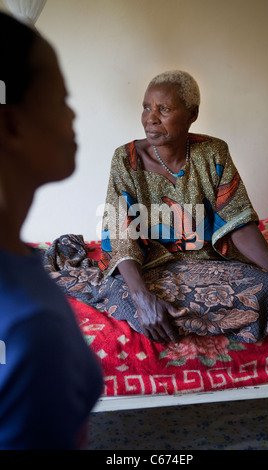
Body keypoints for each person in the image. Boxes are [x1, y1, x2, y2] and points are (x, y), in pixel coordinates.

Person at [98, 70, 268, 345]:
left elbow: (236, 220)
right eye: (146, 107)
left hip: (208, 263)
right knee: (127, 296)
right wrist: (142, 297)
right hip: (148, 267)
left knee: (266, 290)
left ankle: (176, 319)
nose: (151, 118)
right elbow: (121, 239)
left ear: (192, 114)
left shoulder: (214, 153)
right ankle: (154, 309)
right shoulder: (126, 159)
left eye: (164, 109)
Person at [0, 12, 102, 450]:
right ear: (11, 123)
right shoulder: (34, 325)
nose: (73, 115)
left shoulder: (18, 258)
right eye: (61, 99)